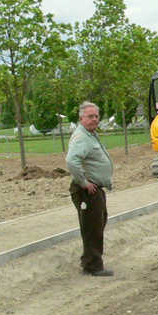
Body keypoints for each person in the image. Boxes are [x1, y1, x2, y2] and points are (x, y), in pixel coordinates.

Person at [66, 102, 114, 276]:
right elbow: (72, 161)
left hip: (94, 189)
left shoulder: (90, 135)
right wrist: (84, 182)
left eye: (96, 116)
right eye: (90, 116)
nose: (94, 119)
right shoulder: (82, 137)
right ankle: (93, 266)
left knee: (98, 223)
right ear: (81, 118)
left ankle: (89, 260)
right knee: (92, 227)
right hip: (87, 191)